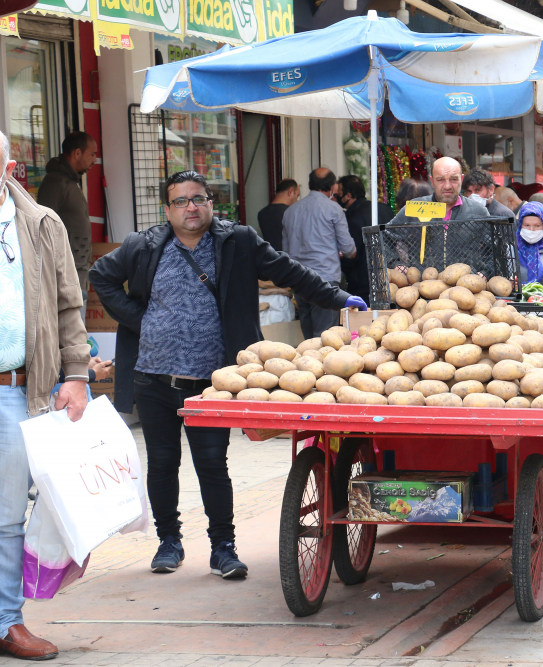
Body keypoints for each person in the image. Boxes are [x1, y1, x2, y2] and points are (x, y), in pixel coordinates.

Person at [90, 171, 365, 581]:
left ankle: (223, 548)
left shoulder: (236, 240)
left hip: (214, 381)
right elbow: (100, 276)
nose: (191, 207)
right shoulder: (143, 246)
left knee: (212, 465)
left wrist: (339, 297)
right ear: (168, 210)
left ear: (210, 203)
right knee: (162, 463)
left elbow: (291, 272)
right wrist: (138, 319)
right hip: (153, 376)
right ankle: (169, 542)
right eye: (181, 201)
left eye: (198, 199)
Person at [0, 130, 90, 661]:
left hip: (15, 390)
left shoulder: (38, 223)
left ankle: (7, 621)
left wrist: (76, 374)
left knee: (7, 516)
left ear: (7, 164)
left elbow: (67, 307)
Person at [281, 168, 356, 336]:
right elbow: (348, 248)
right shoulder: (334, 209)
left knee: (308, 337)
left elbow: (285, 252)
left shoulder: (290, 211)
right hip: (326, 280)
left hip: (299, 279)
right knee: (325, 337)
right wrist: (350, 253)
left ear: (309, 185)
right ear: (332, 187)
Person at [36, 131, 98, 293]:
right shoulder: (55, 182)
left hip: (76, 274)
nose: (94, 160)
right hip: (63, 277)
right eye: (92, 154)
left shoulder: (70, 181)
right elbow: (42, 228)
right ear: (77, 153)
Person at [338, 174, 394, 305]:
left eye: (338, 194)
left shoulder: (353, 218)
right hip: (389, 278)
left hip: (364, 284)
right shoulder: (385, 208)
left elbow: (352, 255)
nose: (335, 199)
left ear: (348, 195)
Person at [389, 157, 490, 224]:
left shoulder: (478, 212)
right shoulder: (414, 208)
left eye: (453, 179)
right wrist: (398, 257)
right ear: (432, 181)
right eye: (440, 180)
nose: (447, 186)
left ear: (461, 179)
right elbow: (386, 239)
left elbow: (492, 251)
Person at [256, 178, 299, 252]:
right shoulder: (292, 213)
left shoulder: (262, 213)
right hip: (288, 259)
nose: (297, 200)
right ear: (290, 191)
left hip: (270, 257)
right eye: (297, 195)